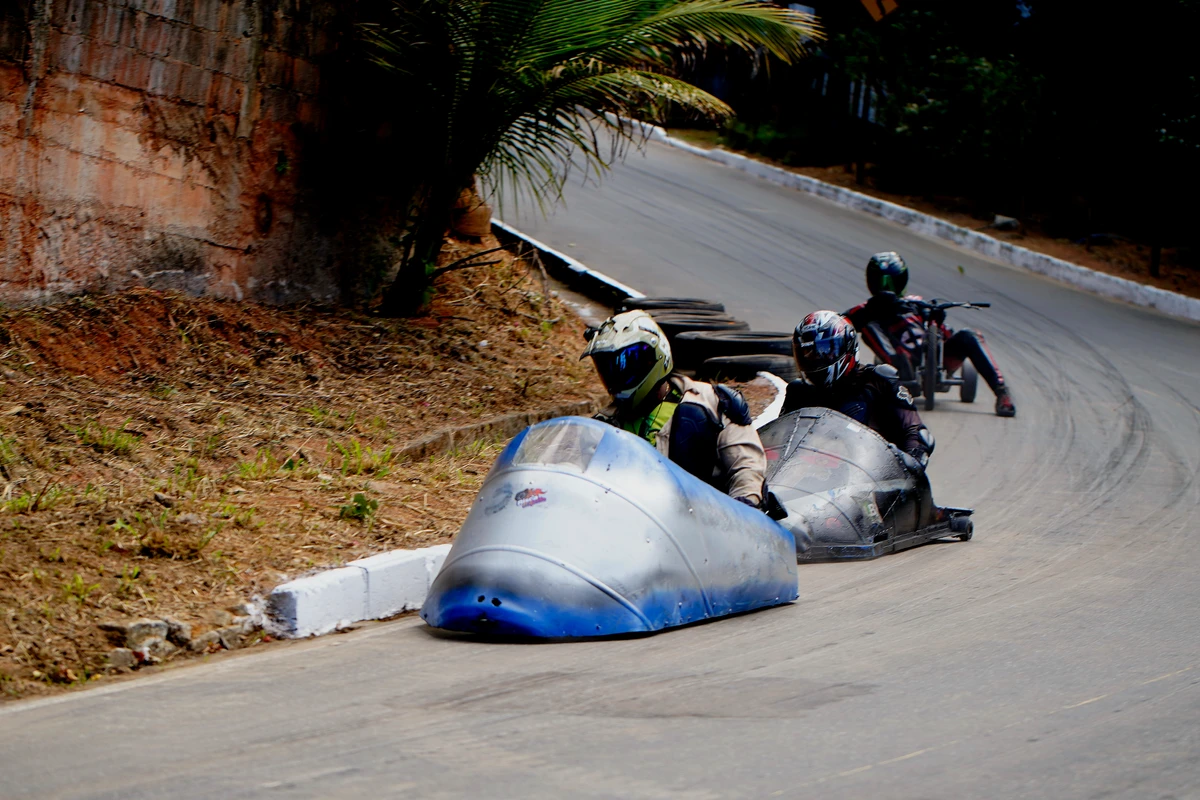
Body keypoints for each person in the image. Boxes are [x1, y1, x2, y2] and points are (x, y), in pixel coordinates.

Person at [581, 310, 767, 507]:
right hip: (630, 525)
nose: (616, 375)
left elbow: (747, 468)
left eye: (626, 364)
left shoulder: (713, 402)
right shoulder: (601, 425)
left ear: (655, 356)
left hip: (706, 525)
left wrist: (742, 508)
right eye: (607, 368)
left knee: (692, 420)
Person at [843, 251, 1017, 417]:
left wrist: (936, 319)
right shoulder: (864, 311)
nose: (886, 288)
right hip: (895, 362)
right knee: (868, 326)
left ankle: (1002, 391)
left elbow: (942, 332)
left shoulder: (916, 303)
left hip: (934, 358)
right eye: (881, 283)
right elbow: (838, 325)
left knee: (969, 335)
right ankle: (902, 367)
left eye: (891, 283)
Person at [781, 310, 932, 473]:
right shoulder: (798, 391)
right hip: (814, 479)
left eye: (823, 351)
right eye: (806, 353)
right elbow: (783, 439)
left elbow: (914, 430)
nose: (814, 359)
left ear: (847, 348)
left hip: (880, 479)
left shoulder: (880, 380)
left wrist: (911, 462)